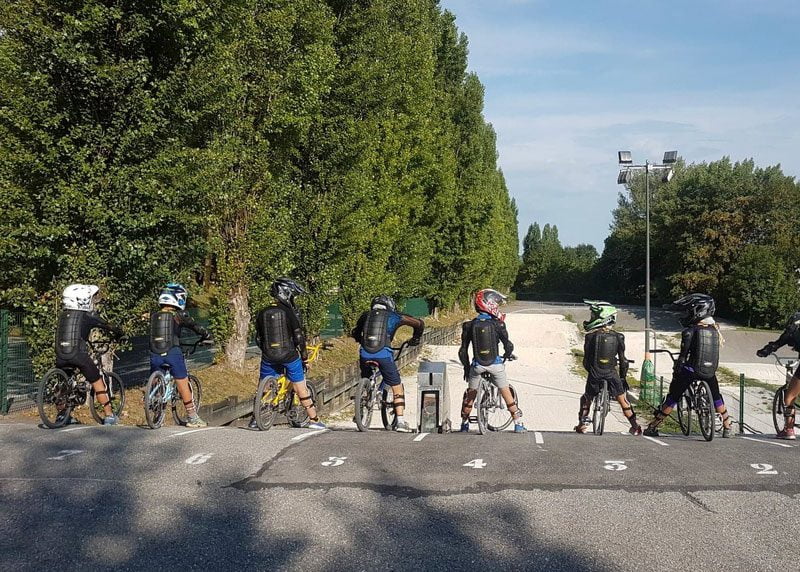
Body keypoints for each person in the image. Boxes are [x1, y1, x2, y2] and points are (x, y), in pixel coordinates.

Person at [644, 293, 734, 438]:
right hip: (710, 371)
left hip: (691, 370)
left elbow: (683, 356)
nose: (686, 314)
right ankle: (727, 425)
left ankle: (654, 425)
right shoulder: (715, 331)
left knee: (674, 395)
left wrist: (677, 369)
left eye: (689, 311)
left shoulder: (689, 332)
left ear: (698, 311)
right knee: (716, 396)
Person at [250, 278, 325, 430]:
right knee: (300, 387)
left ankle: (254, 418)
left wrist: (266, 350)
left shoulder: (262, 312)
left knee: (263, 387)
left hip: (268, 355)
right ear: (287, 293)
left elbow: (258, 337)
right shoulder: (289, 312)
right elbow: (298, 337)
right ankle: (314, 419)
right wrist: (304, 358)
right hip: (288, 355)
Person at [352, 295, 424, 433]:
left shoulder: (366, 315)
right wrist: (416, 338)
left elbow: (356, 332)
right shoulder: (395, 316)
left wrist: (361, 341)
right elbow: (419, 323)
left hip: (364, 353)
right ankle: (401, 422)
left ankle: (360, 410)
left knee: (365, 376)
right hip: (383, 353)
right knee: (396, 384)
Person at [458, 288, 526, 433]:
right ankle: (518, 422)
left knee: (471, 393)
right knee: (505, 390)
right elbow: (508, 345)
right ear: (489, 304)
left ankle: (464, 423)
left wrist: (466, 367)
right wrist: (508, 354)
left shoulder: (469, 325)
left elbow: (463, 350)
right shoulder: (498, 324)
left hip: (477, 365)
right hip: (494, 364)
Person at [55, 284, 125, 425]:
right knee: (97, 380)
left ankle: (62, 415)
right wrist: (120, 333)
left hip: (61, 354)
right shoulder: (86, 316)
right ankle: (109, 415)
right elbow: (106, 325)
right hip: (77, 354)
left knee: (64, 384)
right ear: (83, 300)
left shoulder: (63, 315)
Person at [575, 301, 641, 435]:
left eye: (594, 316)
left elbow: (586, 360)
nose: (592, 318)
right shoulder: (619, 337)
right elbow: (623, 360)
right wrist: (623, 378)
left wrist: (591, 371)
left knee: (587, 398)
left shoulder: (590, 337)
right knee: (622, 399)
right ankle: (635, 427)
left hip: (595, 372)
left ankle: (582, 425)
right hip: (612, 373)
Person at [149, 283, 210, 428]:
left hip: (154, 352)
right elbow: (194, 326)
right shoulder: (179, 315)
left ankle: (153, 404)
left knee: (157, 378)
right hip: (172, 351)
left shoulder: (154, 315)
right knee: (182, 381)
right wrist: (205, 334)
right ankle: (192, 416)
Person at [757, 311, 800, 439]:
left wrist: (764, 351)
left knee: (789, 397)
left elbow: (777, 344)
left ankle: (789, 430)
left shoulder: (793, 330)